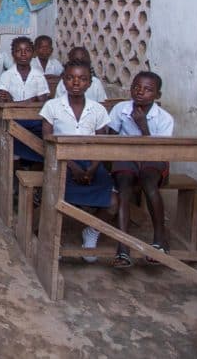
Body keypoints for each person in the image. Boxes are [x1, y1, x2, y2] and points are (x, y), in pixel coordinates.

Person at [40, 61, 117, 262]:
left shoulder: (98, 110)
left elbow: (101, 144)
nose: (76, 82)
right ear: (64, 81)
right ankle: (52, 238)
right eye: (71, 78)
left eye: (82, 79)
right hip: (60, 161)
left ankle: (92, 232)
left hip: (91, 163)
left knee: (113, 202)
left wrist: (91, 169)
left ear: (89, 83)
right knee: (56, 195)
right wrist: (72, 167)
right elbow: (47, 141)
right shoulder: (52, 106)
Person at [108, 71, 173, 269]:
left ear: (157, 95)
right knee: (124, 187)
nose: (140, 92)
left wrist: (143, 127)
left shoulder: (164, 118)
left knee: (149, 182)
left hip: (153, 158)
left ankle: (159, 240)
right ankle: (123, 246)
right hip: (126, 157)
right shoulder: (121, 109)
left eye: (147, 89)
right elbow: (109, 138)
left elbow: (159, 150)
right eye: (136, 87)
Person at [0, 36, 50, 167]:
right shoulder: (6, 76)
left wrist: (15, 102)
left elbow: (43, 102)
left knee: (46, 134)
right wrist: (31, 100)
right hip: (13, 120)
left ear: (32, 53)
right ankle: (20, 166)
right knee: (12, 132)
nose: (23, 54)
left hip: (36, 120)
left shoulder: (39, 76)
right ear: (13, 54)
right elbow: (3, 102)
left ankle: (32, 165)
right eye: (18, 51)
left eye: (27, 50)